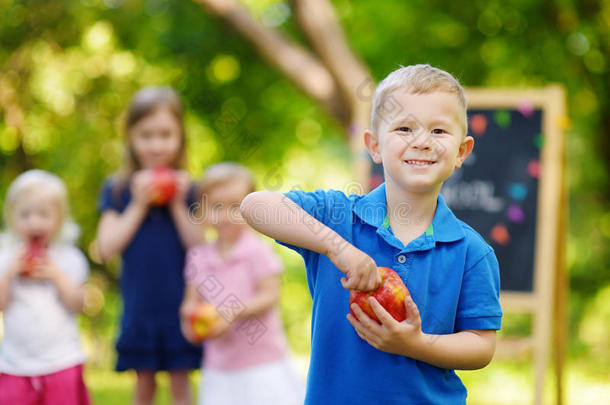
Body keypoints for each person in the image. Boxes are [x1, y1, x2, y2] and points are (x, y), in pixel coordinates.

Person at [240, 64, 503, 404]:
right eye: (405, 128)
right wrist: (338, 249)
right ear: (374, 146)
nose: (421, 142)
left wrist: (417, 344)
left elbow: (481, 345)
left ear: (461, 152)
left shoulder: (471, 250)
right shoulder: (336, 219)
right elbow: (255, 206)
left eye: (438, 131)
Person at [96, 87, 203, 405]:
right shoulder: (117, 189)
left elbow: (199, 246)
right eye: (146, 135)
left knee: (181, 381)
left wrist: (177, 204)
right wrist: (140, 203)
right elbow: (105, 248)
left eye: (165, 135)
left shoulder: (190, 188)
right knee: (143, 384)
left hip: (181, 302)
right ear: (130, 136)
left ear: (180, 137)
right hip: (141, 303)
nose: (156, 144)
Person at [180, 162, 304, 405]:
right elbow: (189, 302)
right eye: (217, 207)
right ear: (201, 211)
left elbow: (269, 295)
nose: (226, 216)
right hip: (219, 367)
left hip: (262, 363)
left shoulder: (258, 251)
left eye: (235, 207)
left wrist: (233, 311)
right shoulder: (198, 257)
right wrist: (189, 322)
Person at [0, 170, 91, 404]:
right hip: (15, 363)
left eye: (43, 214)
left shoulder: (69, 258)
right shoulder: (6, 256)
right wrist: (8, 275)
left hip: (61, 359)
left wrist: (58, 278)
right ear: (12, 217)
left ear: (59, 218)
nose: (34, 222)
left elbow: (79, 305)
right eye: (25, 215)